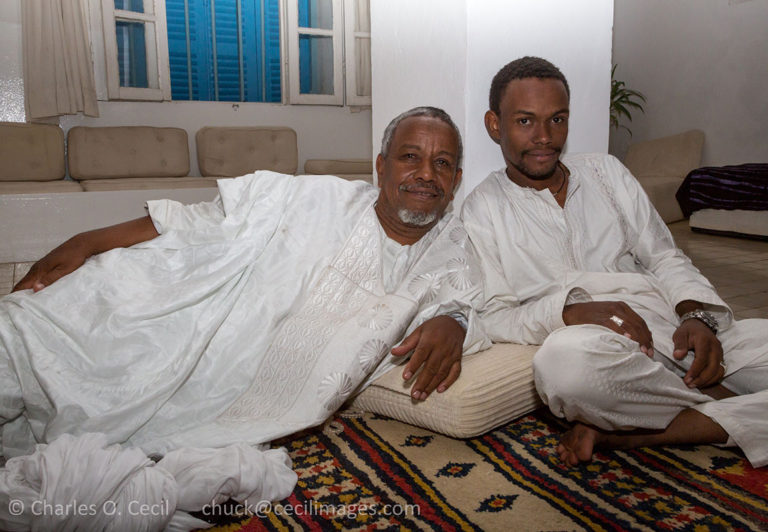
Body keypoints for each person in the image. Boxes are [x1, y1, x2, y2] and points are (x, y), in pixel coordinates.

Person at [0, 106, 489, 458]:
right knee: (36, 332)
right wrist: (89, 240)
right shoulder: (315, 195)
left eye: (442, 163)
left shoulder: (452, 247)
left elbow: (465, 299)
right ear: (381, 167)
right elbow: (202, 220)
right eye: (410, 157)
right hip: (188, 304)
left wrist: (455, 320)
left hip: (235, 379)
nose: (426, 174)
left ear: (457, 178)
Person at [461, 57, 768, 468]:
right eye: (525, 121)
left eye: (557, 119)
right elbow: (494, 316)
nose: (544, 137)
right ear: (494, 125)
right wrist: (570, 312)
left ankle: (631, 433)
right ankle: (720, 407)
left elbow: (663, 254)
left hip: (671, 327)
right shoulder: (482, 210)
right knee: (562, 368)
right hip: (603, 352)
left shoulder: (606, 172)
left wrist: (696, 315)